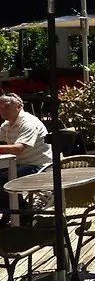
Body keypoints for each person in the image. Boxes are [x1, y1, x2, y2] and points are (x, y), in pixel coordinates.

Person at [0, 93, 52, 226]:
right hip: (18, 165)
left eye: (6, 107)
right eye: (0, 108)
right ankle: (13, 211)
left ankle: (21, 211)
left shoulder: (29, 123)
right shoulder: (7, 125)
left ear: (18, 106)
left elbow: (17, 149)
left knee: (3, 179)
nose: (2, 110)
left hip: (40, 166)